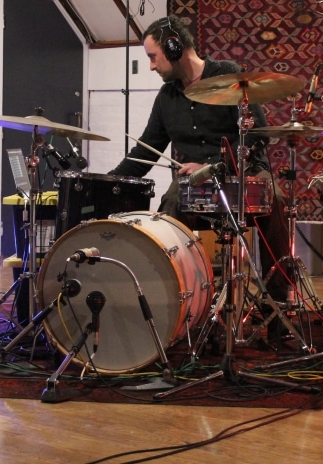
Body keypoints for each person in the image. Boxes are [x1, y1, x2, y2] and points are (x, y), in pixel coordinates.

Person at [108, 15, 292, 309]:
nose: (152, 66)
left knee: (277, 203)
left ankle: (279, 301)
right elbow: (145, 153)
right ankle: (176, 302)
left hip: (242, 173)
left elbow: (256, 134)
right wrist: (106, 182)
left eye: (153, 57)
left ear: (173, 48)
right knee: (167, 213)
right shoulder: (167, 97)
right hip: (194, 186)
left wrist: (213, 166)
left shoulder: (229, 75)